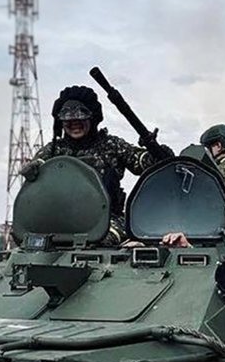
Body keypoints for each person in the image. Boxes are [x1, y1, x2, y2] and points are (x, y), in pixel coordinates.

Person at [19, 85, 171, 245]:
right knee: (31, 245)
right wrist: (34, 170)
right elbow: (37, 172)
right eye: (68, 120)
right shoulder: (53, 151)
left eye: (80, 119)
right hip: (61, 222)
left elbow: (141, 162)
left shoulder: (111, 145)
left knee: (100, 241)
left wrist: (156, 152)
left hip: (107, 221)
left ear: (92, 119)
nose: (75, 124)